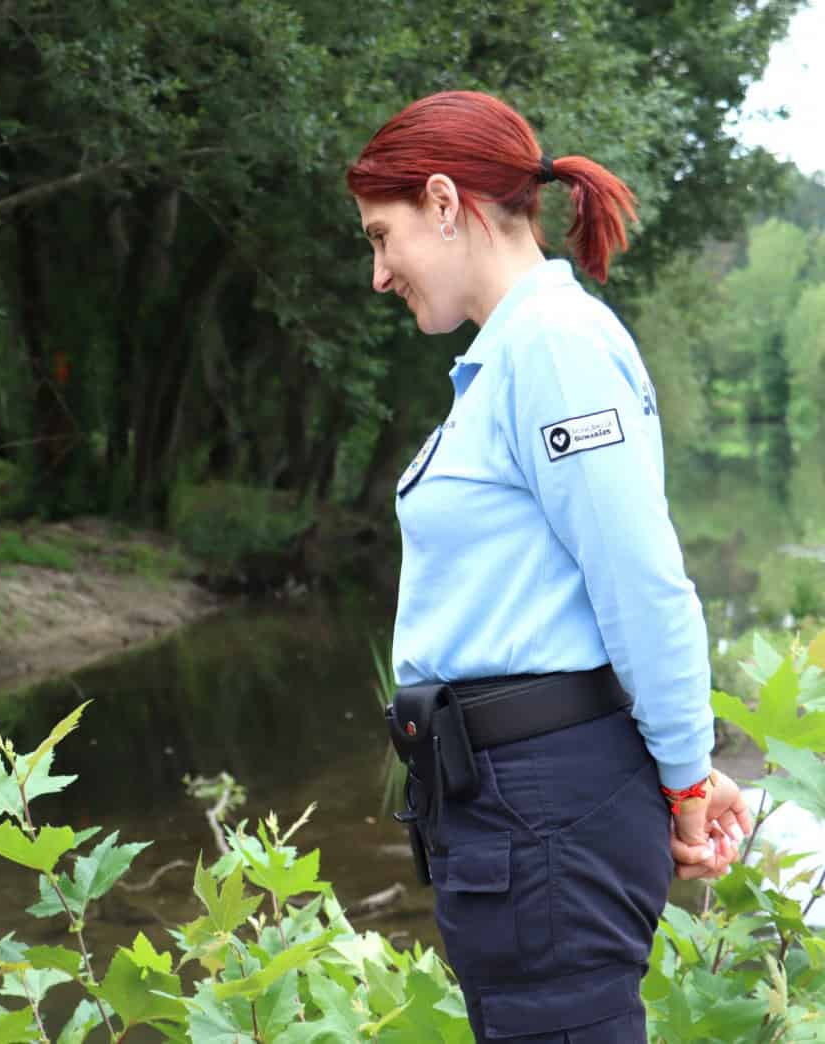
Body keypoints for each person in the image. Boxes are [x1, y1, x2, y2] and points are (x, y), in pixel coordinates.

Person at [348, 91, 753, 1043]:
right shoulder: (517, 356)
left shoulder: (555, 349)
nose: (378, 273)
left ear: (444, 203)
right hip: (519, 808)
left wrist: (688, 776)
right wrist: (672, 767)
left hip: (542, 816)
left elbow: (642, 581)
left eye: (381, 235)